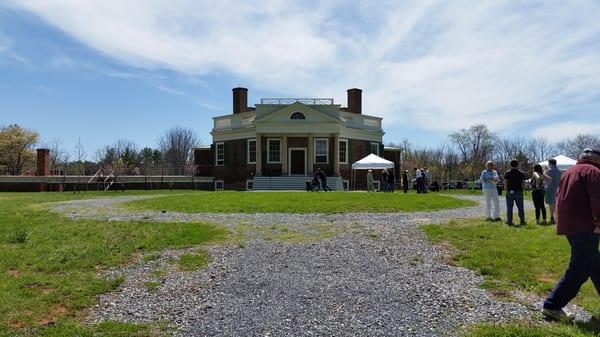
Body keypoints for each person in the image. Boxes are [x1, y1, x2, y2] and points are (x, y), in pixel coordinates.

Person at [542, 148, 600, 320]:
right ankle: (552, 306)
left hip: (570, 225)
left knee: (595, 265)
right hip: (586, 226)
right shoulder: (593, 171)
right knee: (580, 268)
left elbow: (559, 197)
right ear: (597, 159)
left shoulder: (569, 172)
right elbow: (598, 199)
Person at [503, 159, 526, 226]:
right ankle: (522, 220)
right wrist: (523, 189)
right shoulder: (521, 173)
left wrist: (506, 189)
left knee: (509, 207)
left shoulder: (507, 173)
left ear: (510, 165)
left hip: (510, 191)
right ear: (517, 165)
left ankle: (509, 221)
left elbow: (505, 182)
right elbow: (523, 183)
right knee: (520, 207)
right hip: (519, 191)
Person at [544, 158, 562, 224]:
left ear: (550, 163)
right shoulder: (560, 171)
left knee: (551, 204)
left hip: (550, 189)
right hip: (558, 189)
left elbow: (546, 181)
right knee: (557, 204)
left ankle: (552, 217)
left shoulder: (549, 171)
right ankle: (557, 217)